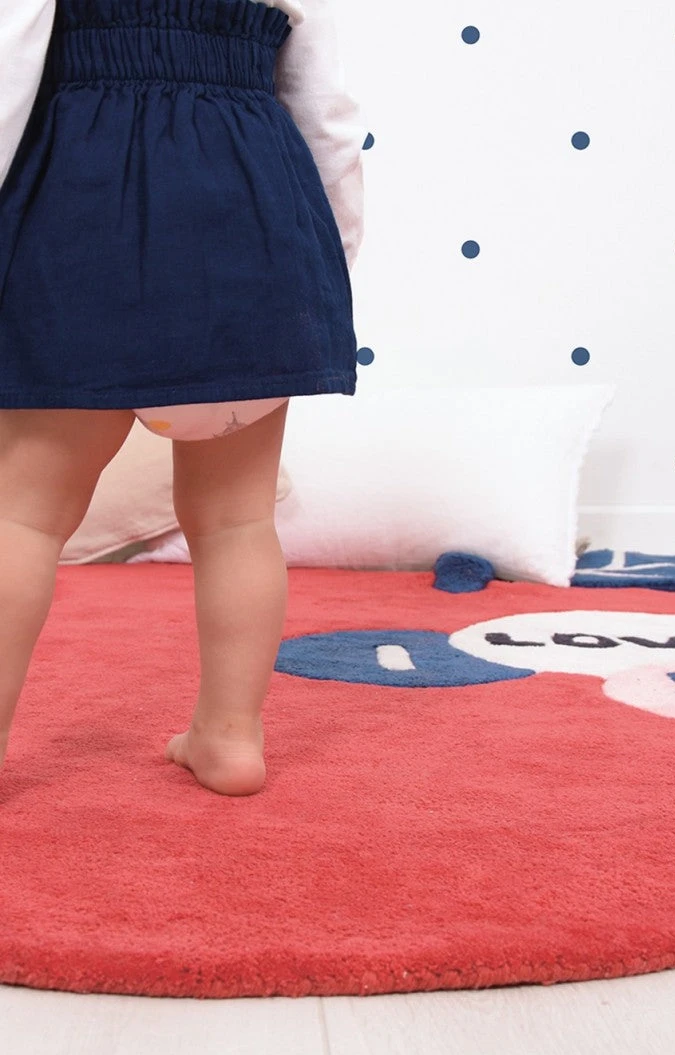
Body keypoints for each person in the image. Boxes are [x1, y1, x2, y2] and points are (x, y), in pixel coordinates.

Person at [0, 0, 365, 795]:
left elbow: (7, 71)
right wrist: (325, 260)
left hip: (84, 209)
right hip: (252, 218)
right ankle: (231, 737)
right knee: (237, 519)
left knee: (23, 515)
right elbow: (328, 115)